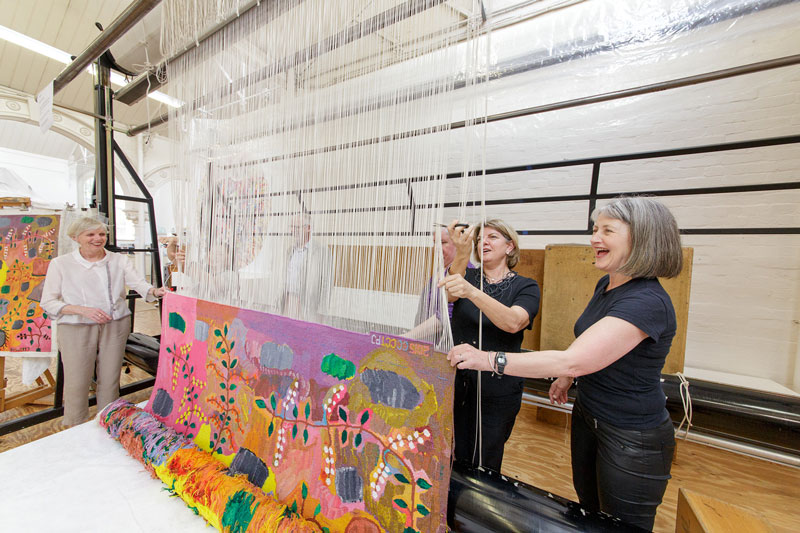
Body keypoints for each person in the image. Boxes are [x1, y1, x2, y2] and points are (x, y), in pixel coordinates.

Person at [445, 196, 682, 531]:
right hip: (589, 416)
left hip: (631, 437)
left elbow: (571, 358)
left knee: (620, 524)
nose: (594, 238)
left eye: (607, 231)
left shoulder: (647, 301)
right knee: (590, 512)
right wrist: (568, 379)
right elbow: (593, 344)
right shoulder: (607, 285)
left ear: (642, 239)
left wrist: (487, 358)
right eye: (595, 229)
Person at [41, 217, 167, 426]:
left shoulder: (118, 260)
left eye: (101, 234)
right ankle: (76, 425)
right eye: (90, 234)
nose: (98, 238)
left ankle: (109, 422)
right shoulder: (61, 264)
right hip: (75, 326)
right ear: (76, 238)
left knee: (110, 379)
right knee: (77, 380)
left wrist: (154, 291)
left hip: (115, 323)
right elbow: (48, 301)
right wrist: (83, 310)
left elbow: (138, 283)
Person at [439, 218, 540, 471]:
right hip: (457, 383)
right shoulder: (467, 275)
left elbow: (514, 322)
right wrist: (461, 252)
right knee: (451, 450)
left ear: (510, 246)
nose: (484, 241)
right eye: (480, 238)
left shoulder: (525, 286)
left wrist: (472, 292)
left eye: (493, 237)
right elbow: (449, 295)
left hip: (497, 389)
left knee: (486, 456)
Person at [405, 221, 474, 345]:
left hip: (447, 347)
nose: (437, 248)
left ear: (458, 244)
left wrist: (407, 337)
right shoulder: (441, 270)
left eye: (443, 243)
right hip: (428, 345)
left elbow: (444, 317)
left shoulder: (466, 271)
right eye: (435, 243)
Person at [281, 214, 333, 323]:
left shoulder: (321, 251)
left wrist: (322, 313)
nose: (292, 231)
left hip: (308, 308)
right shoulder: (290, 250)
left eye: (296, 227)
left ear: (308, 228)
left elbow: (326, 284)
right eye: (291, 227)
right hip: (288, 303)